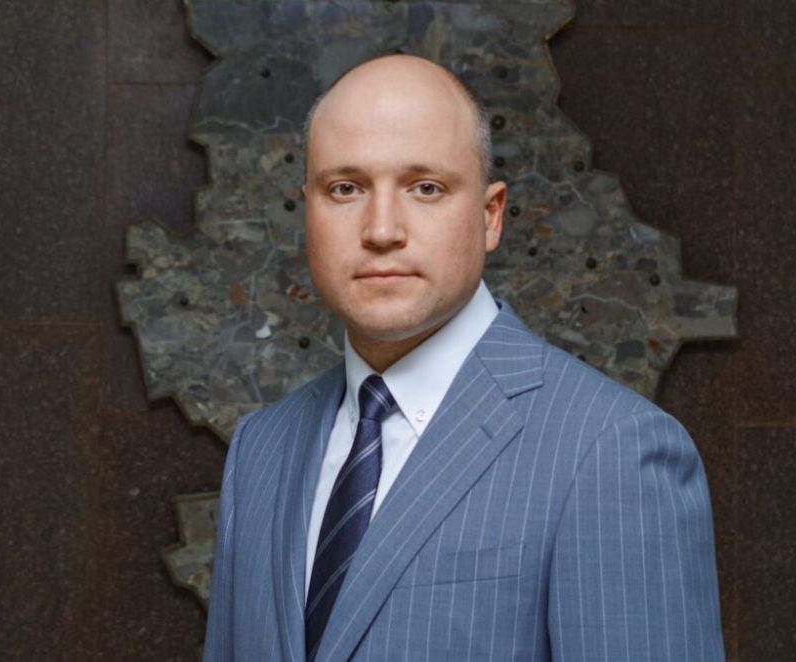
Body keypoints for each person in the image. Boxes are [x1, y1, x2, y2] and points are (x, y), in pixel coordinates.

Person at [203, 54, 724, 661]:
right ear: (308, 210)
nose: (381, 230)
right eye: (345, 188)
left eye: (426, 188)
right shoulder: (261, 448)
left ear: (490, 215)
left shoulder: (612, 449)